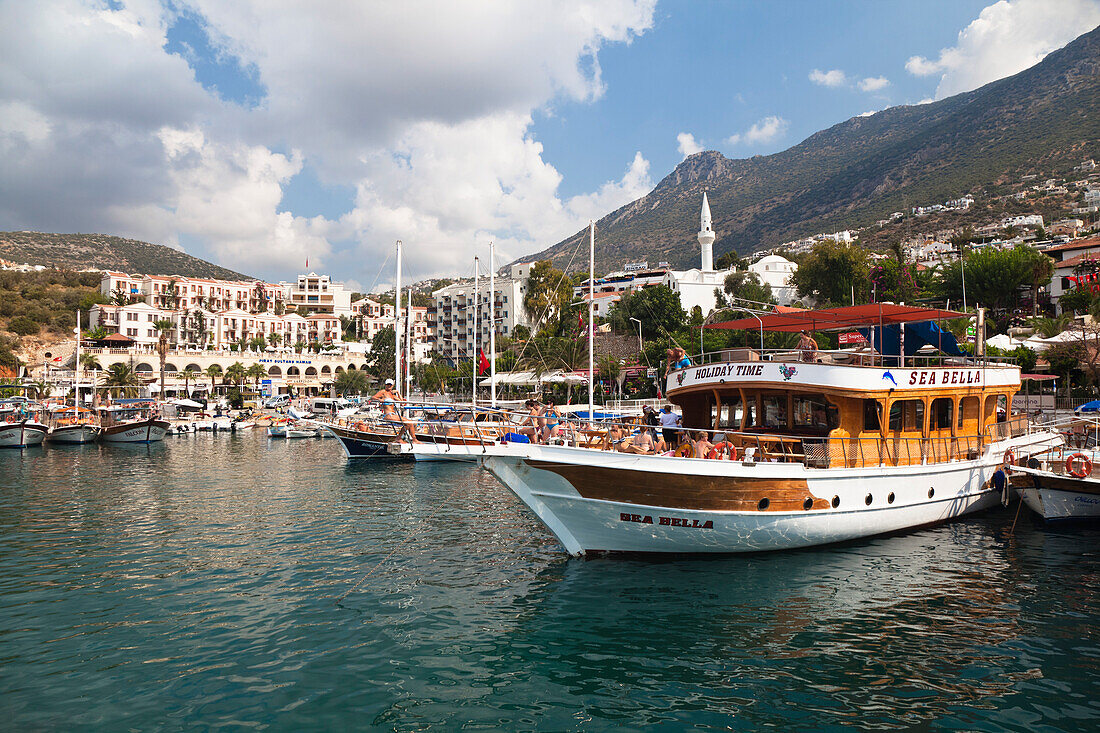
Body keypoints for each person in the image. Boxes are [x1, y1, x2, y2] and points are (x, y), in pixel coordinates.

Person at [371, 378, 419, 443]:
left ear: (392, 386)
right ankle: (403, 439)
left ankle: (411, 439)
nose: (389, 386)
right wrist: (381, 400)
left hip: (393, 414)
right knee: (409, 422)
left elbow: (402, 402)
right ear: (385, 385)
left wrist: (398, 392)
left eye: (390, 385)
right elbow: (373, 397)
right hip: (388, 415)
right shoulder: (383, 392)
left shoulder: (392, 395)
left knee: (409, 423)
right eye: (387, 384)